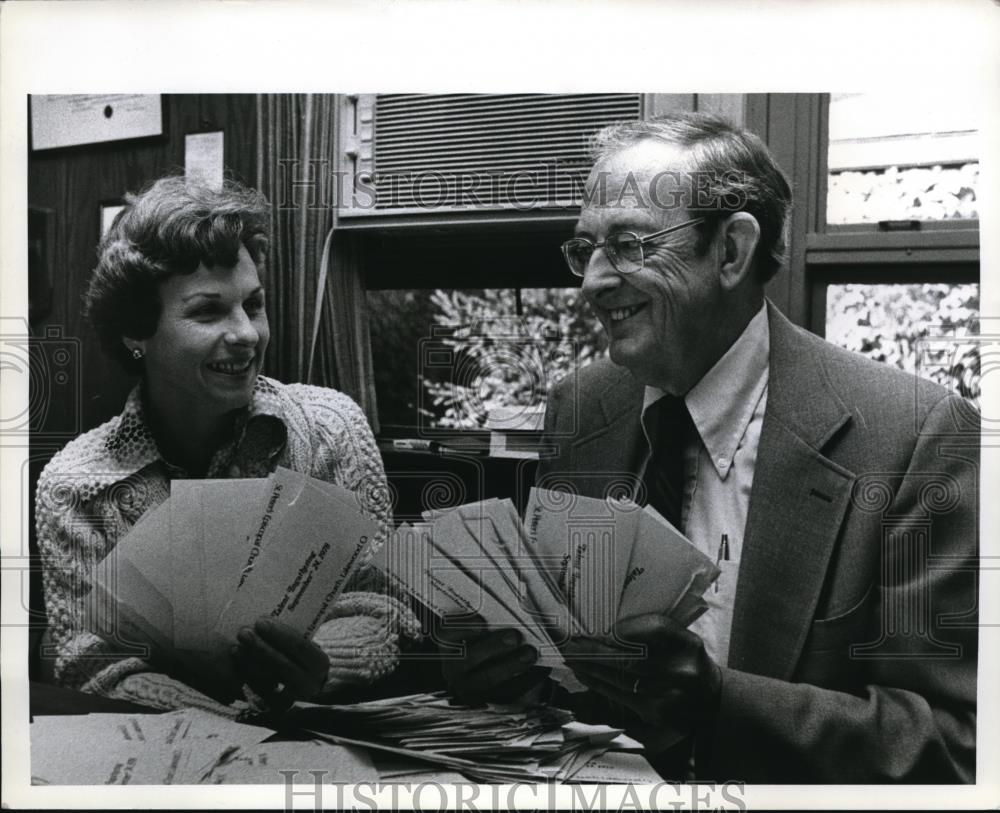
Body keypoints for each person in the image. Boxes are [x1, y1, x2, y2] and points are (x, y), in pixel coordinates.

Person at [440, 113, 978, 782]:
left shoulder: (914, 434)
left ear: (731, 251)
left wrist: (722, 702)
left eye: (631, 244)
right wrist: (509, 671)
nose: (592, 283)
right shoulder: (582, 407)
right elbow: (569, 681)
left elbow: (956, 748)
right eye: (586, 249)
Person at [36, 176, 419, 719]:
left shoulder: (331, 427)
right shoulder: (76, 484)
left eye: (254, 304)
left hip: (325, 731)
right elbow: (87, 658)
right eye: (208, 312)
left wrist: (324, 665)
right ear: (135, 334)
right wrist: (221, 723)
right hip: (161, 753)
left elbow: (381, 601)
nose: (247, 333)